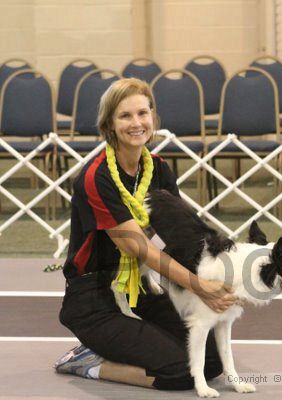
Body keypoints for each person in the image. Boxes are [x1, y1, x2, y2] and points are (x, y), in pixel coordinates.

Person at [54, 78, 236, 390]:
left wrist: (230, 276)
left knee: (211, 363)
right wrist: (200, 287)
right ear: (109, 124)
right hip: (94, 299)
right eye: (125, 116)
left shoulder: (160, 170)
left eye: (143, 113)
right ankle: (88, 362)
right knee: (181, 371)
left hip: (140, 288)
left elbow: (179, 240)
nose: (136, 123)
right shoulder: (96, 177)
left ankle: (124, 344)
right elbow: (140, 247)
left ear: (153, 117)